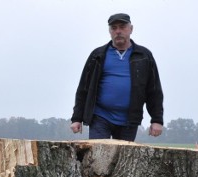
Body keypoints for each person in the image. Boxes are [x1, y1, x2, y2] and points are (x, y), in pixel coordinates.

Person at [70, 13, 164, 141]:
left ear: (131, 29)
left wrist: (157, 120)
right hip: (100, 117)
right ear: (109, 31)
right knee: (98, 157)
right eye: (114, 28)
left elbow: (154, 90)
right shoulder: (97, 55)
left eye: (122, 27)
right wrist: (76, 118)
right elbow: (84, 88)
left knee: (124, 159)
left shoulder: (144, 56)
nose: (118, 31)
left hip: (129, 119)